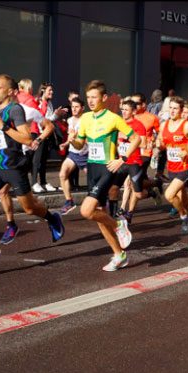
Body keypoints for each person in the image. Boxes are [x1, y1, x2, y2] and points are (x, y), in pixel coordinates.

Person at [0, 74, 65, 266]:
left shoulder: (15, 110)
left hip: (14, 167)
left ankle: (52, 218)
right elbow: (3, 137)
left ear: (11, 91)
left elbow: (26, 138)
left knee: (30, 208)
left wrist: (2, 126)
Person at [67, 80, 140, 271]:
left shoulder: (114, 118)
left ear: (104, 98)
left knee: (86, 210)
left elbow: (136, 138)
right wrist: (72, 141)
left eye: (94, 97)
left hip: (107, 168)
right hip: (92, 168)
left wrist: (122, 159)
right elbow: (81, 145)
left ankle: (119, 224)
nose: (91, 101)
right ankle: (119, 255)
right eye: (88, 97)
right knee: (99, 216)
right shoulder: (85, 118)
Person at [158, 96, 188, 234]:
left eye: (175, 108)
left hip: (185, 167)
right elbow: (161, 143)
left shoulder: (187, 126)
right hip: (172, 168)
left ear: (181, 110)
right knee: (185, 201)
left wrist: (187, 152)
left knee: (169, 194)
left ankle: (184, 216)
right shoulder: (164, 125)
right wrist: (158, 145)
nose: (172, 111)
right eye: (170, 107)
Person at [107, 100, 149, 224]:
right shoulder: (119, 123)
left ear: (133, 111)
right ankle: (113, 217)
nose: (124, 112)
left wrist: (128, 138)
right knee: (113, 189)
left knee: (139, 194)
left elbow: (144, 143)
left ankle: (151, 192)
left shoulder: (138, 125)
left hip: (134, 162)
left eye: (126, 110)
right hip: (121, 162)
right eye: (123, 109)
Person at [59, 97, 88, 215]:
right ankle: (69, 201)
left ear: (82, 108)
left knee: (94, 181)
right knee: (62, 174)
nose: (74, 109)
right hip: (73, 153)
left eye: (76, 107)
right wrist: (65, 144)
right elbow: (71, 137)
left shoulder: (86, 120)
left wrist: (75, 138)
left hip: (86, 154)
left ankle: (103, 200)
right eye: (72, 107)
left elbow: (84, 139)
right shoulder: (70, 120)